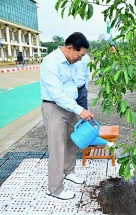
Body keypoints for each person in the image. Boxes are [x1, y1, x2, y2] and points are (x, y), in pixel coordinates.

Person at [40, 32, 95, 200]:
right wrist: (80, 110)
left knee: (72, 141)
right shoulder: (51, 62)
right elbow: (56, 93)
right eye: (79, 55)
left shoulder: (72, 62)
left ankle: (68, 171)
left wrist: (78, 107)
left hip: (71, 106)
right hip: (54, 108)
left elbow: (77, 84)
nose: (80, 59)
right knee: (57, 147)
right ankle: (54, 188)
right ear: (70, 48)